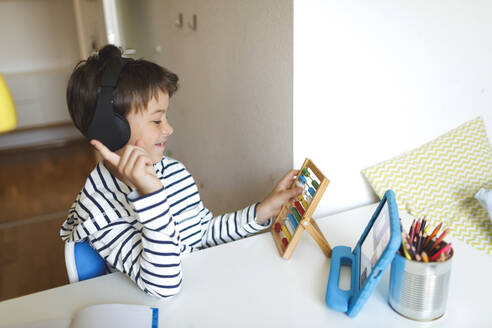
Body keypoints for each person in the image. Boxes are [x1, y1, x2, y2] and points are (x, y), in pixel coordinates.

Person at [60, 44, 302, 299]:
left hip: (202, 294)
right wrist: (151, 195)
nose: (169, 128)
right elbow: (163, 286)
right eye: (156, 120)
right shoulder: (98, 207)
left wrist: (262, 211)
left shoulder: (173, 170)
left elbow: (202, 233)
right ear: (111, 130)